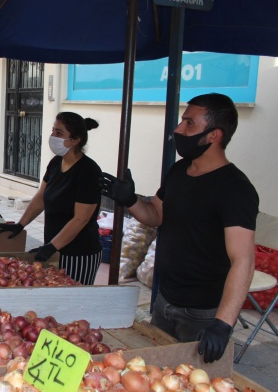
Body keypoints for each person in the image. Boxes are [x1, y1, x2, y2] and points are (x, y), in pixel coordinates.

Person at [99, 93, 259, 363]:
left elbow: (243, 260)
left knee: (193, 378)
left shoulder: (236, 189)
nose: (178, 129)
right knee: (157, 371)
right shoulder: (178, 171)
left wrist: (223, 323)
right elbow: (155, 216)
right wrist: (130, 200)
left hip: (203, 313)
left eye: (189, 123)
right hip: (165, 300)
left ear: (213, 135)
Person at [0, 112, 103, 285]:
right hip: (53, 247)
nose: (52, 136)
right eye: (53, 131)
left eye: (59, 133)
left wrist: (53, 246)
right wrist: (20, 224)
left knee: (72, 301)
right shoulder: (56, 163)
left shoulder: (88, 171)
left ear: (75, 140)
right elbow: (41, 197)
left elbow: (81, 219)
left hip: (79, 252)